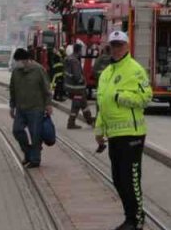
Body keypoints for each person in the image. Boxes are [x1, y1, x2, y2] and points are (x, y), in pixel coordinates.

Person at [95, 30, 152, 230]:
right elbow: (102, 103)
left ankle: (136, 220)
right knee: (118, 180)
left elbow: (146, 97)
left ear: (127, 46)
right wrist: (99, 131)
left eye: (120, 45)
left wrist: (122, 97)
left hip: (132, 135)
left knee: (131, 179)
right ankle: (130, 216)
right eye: (113, 45)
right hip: (114, 135)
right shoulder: (106, 73)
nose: (117, 49)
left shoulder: (135, 69)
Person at [8, 48, 54, 168]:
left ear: (25, 60)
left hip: (36, 108)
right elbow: (12, 89)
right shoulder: (16, 71)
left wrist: (48, 104)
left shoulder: (38, 70)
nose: (16, 64)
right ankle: (28, 153)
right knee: (17, 130)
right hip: (20, 108)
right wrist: (12, 106)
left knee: (35, 135)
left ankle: (35, 160)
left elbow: (47, 89)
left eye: (18, 61)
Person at [64, 44, 94, 129]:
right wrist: (83, 80)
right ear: (79, 51)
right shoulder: (75, 61)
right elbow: (77, 75)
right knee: (76, 105)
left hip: (71, 87)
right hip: (77, 88)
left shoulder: (68, 59)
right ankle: (71, 122)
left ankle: (90, 120)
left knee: (83, 104)